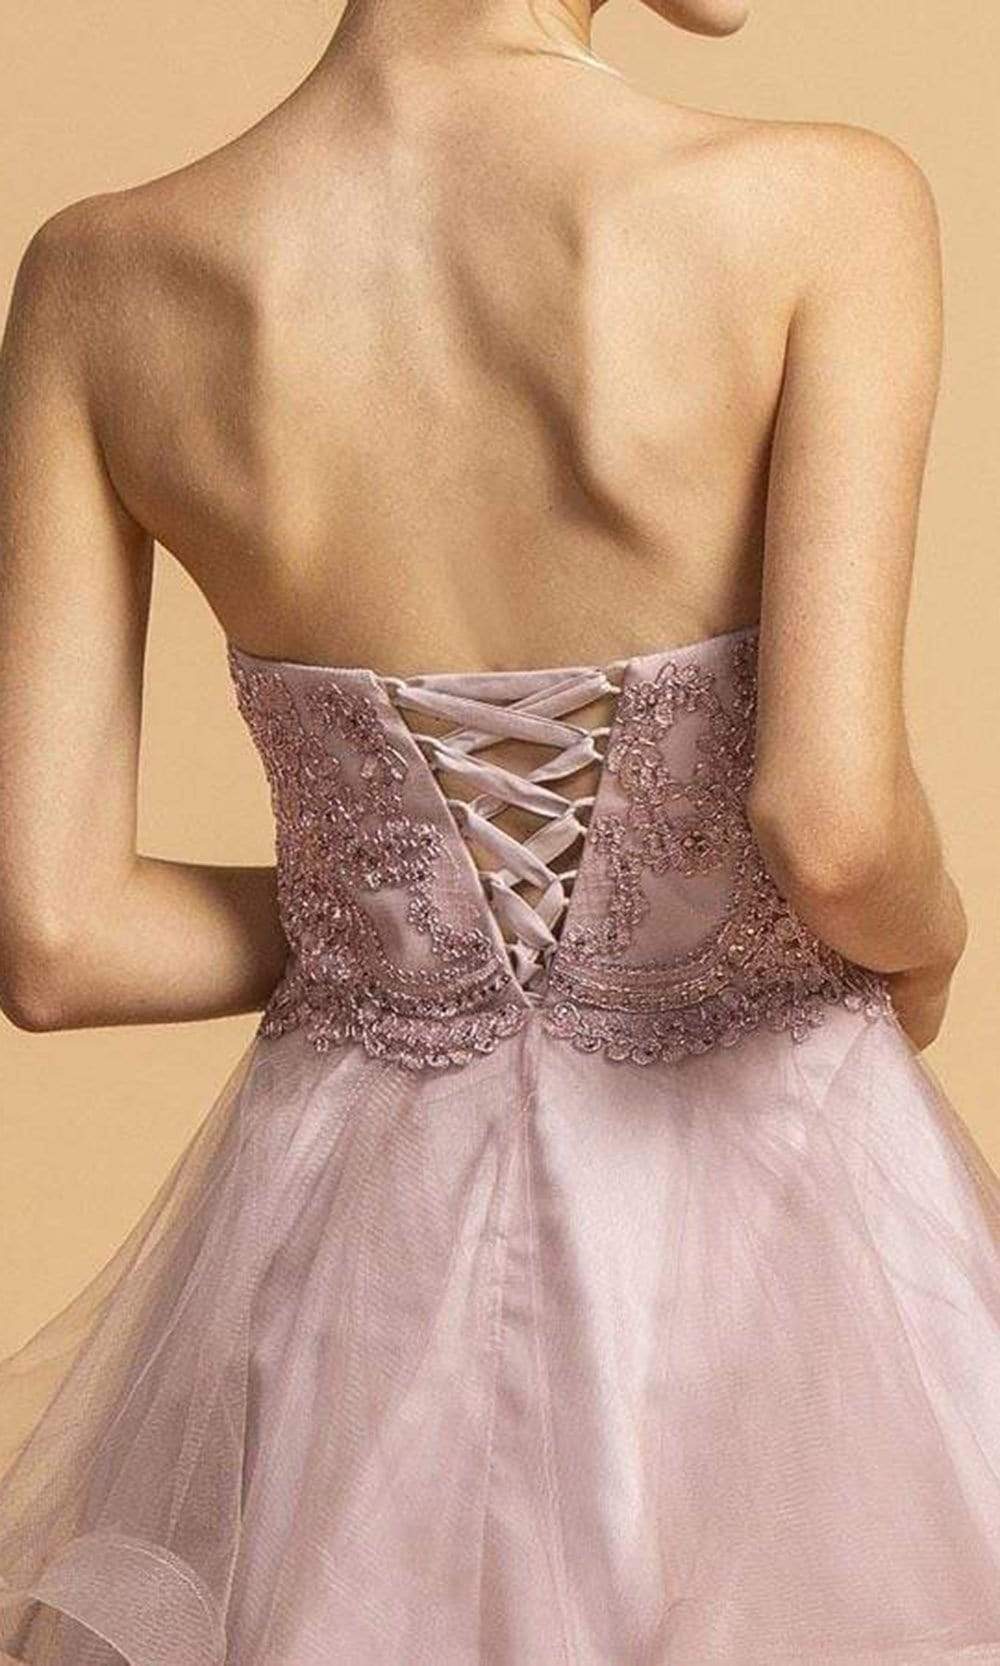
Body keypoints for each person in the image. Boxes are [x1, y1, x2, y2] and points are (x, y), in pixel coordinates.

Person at [0, 0, 997, 1656]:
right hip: (769, 1234)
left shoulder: (100, 284)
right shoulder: (828, 208)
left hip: (357, 1259)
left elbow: (55, 936)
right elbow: (829, 825)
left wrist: (393, 900)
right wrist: (939, 934)